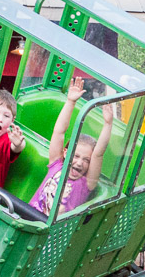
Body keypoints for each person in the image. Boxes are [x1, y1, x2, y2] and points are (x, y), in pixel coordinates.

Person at [30, 76, 114, 216]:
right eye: (75, 156)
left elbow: (99, 153)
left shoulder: (86, 184)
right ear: (65, 152)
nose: (79, 163)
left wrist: (108, 124)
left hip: (53, 230)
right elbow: (59, 132)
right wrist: (70, 102)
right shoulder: (57, 165)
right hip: (31, 213)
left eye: (86, 160)